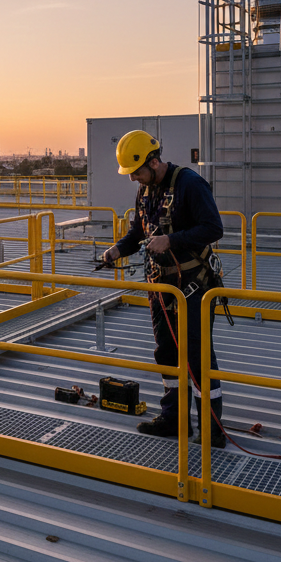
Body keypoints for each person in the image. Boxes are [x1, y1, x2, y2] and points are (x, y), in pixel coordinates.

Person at [99, 130, 227, 447]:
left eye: (137, 172)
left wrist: (172, 240)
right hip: (161, 286)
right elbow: (138, 232)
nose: (133, 180)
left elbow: (214, 228)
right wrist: (117, 250)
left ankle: (212, 431)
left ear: (154, 162)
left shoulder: (190, 184)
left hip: (193, 286)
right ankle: (174, 420)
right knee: (167, 354)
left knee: (198, 359)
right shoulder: (146, 190)